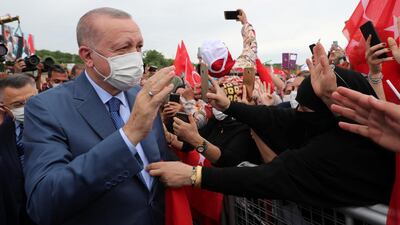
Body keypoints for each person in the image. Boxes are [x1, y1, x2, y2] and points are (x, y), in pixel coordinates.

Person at [147, 43, 395, 208]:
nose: (297, 113)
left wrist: (194, 175)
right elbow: (275, 118)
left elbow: (266, 176)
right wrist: (230, 107)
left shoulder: (337, 152)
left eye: (306, 108)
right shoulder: (358, 131)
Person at [23, 7, 175, 225]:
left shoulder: (142, 97)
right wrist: (128, 135)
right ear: (88, 56)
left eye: (139, 46)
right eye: (124, 48)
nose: (135, 56)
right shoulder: (46, 108)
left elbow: (159, 163)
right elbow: (44, 201)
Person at [0, 74, 37, 225]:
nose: (27, 108)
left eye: (31, 101)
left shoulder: (58, 122)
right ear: (3, 106)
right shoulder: (2, 129)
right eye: (18, 105)